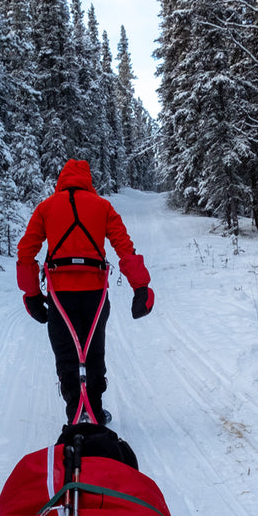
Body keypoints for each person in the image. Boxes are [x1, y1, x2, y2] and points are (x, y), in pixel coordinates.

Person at [17, 159, 154, 425]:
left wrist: (32, 294)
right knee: (93, 350)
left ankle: (75, 412)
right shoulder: (102, 206)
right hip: (95, 293)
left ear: (62, 179)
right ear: (87, 180)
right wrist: (141, 287)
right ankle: (95, 411)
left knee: (67, 352)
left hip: (60, 293)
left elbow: (26, 252)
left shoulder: (46, 207)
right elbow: (124, 247)